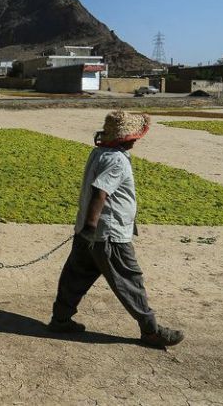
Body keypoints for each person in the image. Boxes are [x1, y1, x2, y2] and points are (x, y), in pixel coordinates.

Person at [48, 110, 184, 349]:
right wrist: (92, 226)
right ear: (125, 138)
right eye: (134, 137)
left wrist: (86, 229)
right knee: (129, 280)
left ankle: (60, 319)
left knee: (75, 276)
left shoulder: (99, 152)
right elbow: (100, 192)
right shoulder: (117, 160)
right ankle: (150, 331)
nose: (135, 141)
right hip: (108, 234)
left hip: (87, 230)